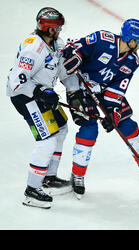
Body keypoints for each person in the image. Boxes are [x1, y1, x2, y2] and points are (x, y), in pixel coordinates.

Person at [61, 18, 139, 199]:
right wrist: (75, 56)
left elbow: (118, 87)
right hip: (80, 88)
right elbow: (75, 47)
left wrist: (111, 110)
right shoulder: (102, 39)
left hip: (104, 91)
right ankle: (78, 174)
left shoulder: (133, 61)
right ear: (132, 40)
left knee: (127, 124)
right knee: (89, 129)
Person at [6, 7, 72, 209]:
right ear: (50, 29)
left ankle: (49, 178)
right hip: (25, 97)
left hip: (42, 94)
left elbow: (62, 70)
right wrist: (39, 93)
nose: (61, 29)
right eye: (59, 27)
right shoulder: (33, 48)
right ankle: (32, 190)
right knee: (47, 140)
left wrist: (74, 92)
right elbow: (16, 82)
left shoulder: (55, 43)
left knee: (61, 128)